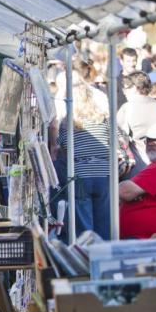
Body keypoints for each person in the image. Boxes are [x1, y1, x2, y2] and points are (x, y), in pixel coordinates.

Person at [56, 75, 113, 239]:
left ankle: (86, 258)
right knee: (104, 221)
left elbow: (63, 143)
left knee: (83, 224)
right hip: (104, 171)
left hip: (80, 172)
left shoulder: (67, 122)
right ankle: (104, 256)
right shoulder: (103, 118)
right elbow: (116, 137)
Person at [117, 71, 156, 178]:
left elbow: (120, 139)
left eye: (126, 88)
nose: (124, 92)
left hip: (137, 168)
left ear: (135, 88)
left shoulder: (127, 108)